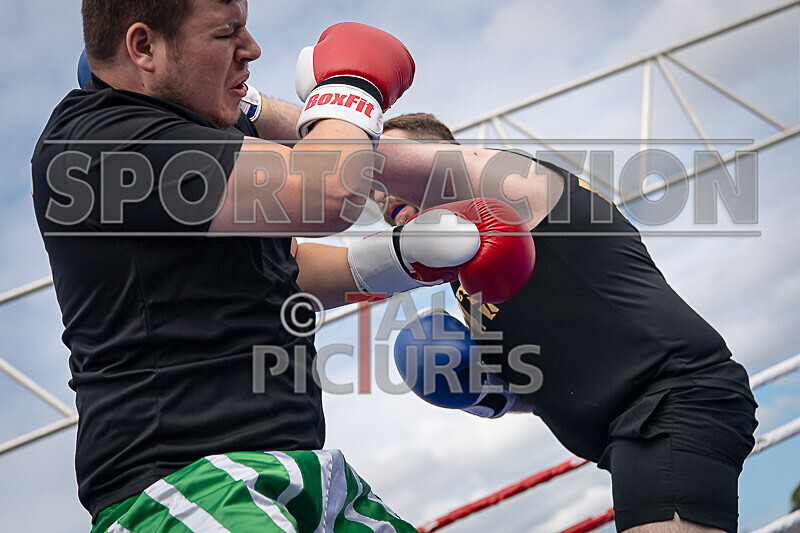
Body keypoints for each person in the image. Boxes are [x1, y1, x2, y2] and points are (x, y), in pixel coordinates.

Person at [31, 1, 537, 531]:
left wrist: (406, 258)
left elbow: (284, 268)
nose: (252, 49)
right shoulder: (99, 143)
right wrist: (351, 86)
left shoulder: (199, 137)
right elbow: (324, 192)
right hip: (184, 487)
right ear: (143, 47)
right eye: (228, 33)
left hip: (298, 468)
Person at [376, 113, 758, 533]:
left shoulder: (511, 187)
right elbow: (543, 386)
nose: (378, 192)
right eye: (372, 189)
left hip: (671, 400)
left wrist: (331, 118)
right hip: (626, 436)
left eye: (390, 168)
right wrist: (488, 393)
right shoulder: (472, 278)